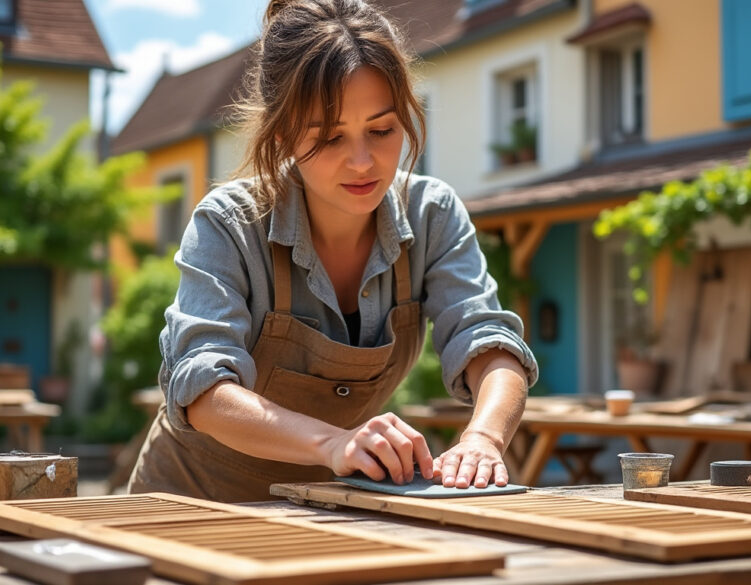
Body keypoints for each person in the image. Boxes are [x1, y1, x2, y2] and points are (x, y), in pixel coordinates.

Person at [128, 0, 538, 503]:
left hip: (326, 508)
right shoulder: (230, 223)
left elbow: (488, 340)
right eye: (328, 137)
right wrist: (334, 442)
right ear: (282, 137)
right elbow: (202, 389)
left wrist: (483, 439)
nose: (363, 162)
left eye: (382, 130)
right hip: (188, 504)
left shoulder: (433, 214)